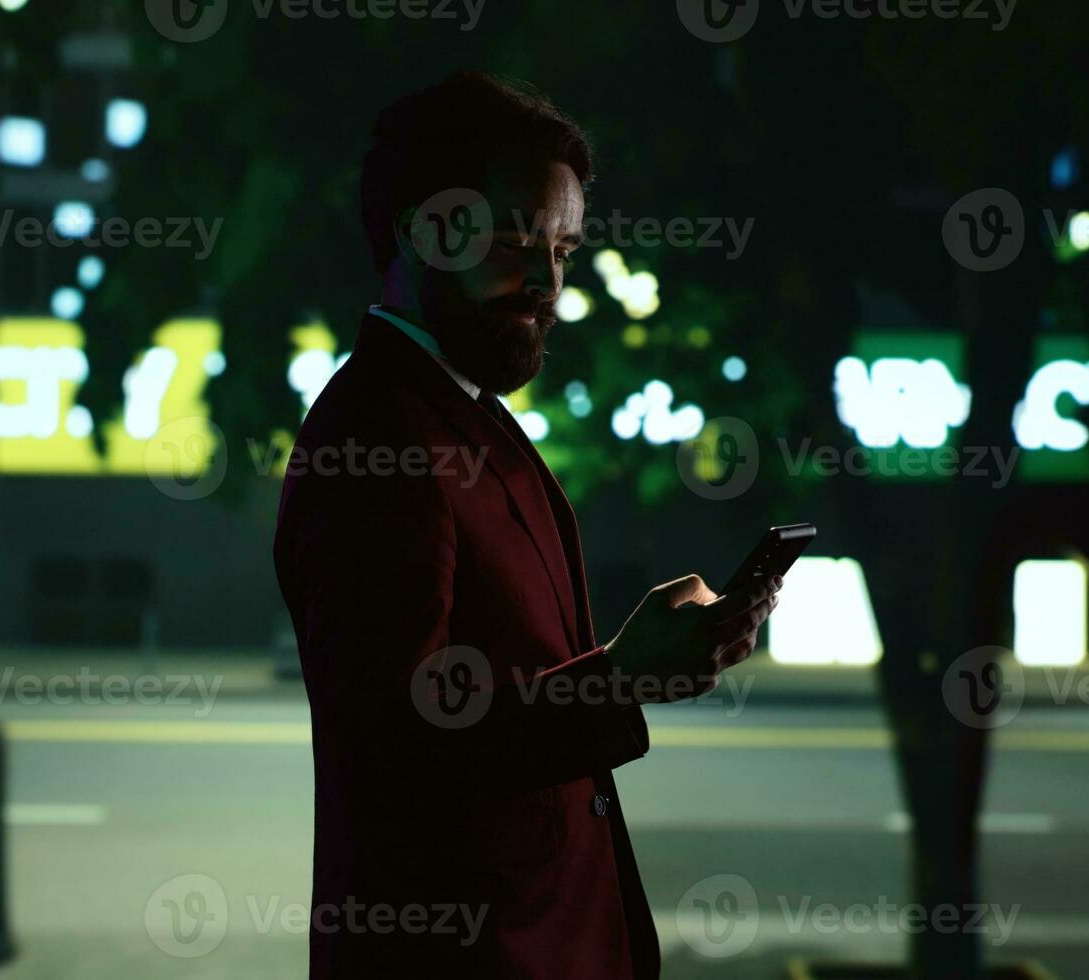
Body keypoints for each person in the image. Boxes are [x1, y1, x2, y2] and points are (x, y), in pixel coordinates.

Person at [273, 71, 783, 978]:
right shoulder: (379, 439)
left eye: (564, 250)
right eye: (514, 241)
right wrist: (619, 677)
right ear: (420, 231)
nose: (546, 282)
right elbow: (396, 748)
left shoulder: (458, 413)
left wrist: (632, 671)